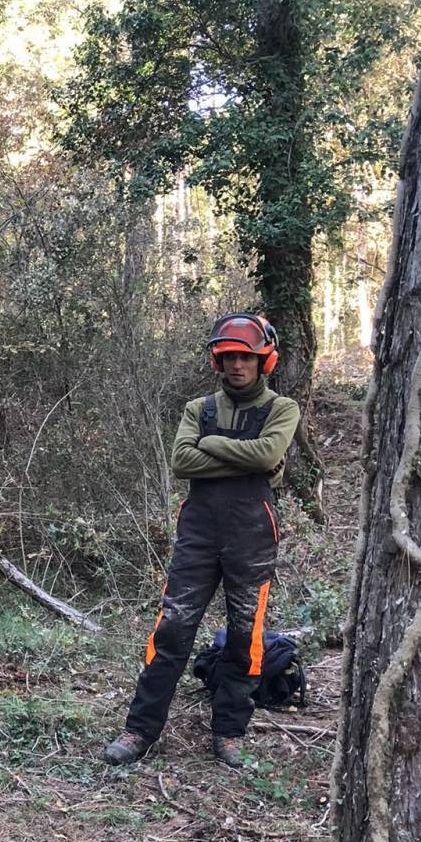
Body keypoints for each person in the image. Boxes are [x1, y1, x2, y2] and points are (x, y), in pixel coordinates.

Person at [103, 313, 300, 769]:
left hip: (253, 535)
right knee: (172, 629)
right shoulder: (200, 408)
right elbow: (182, 462)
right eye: (228, 357)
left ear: (263, 361)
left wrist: (210, 445)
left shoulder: (282, 409)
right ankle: (140, 730)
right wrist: (248, 459)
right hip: (198, 534)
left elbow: (268, 455)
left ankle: (229, 733)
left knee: (245, 636)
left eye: (245, 357)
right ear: (218, 360)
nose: (236, 365)